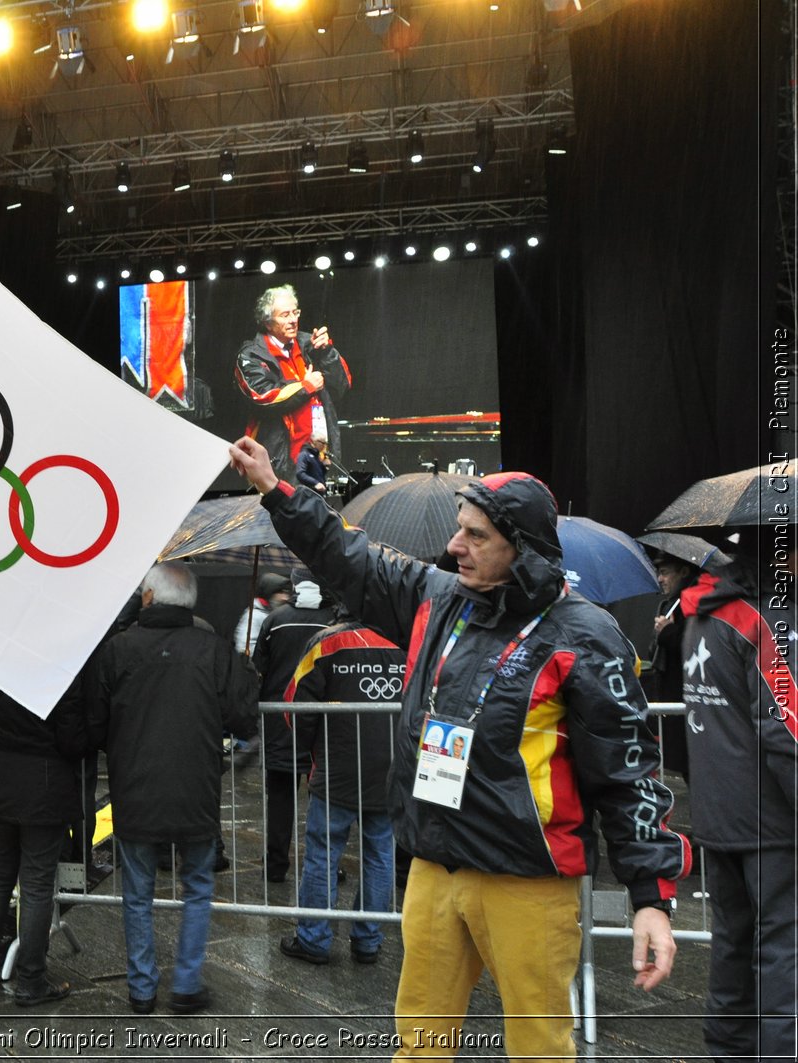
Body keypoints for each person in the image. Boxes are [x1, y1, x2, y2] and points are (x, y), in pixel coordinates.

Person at [228, 435, 689, 1059]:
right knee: (419, 1044)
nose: (454, 546)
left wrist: (651, 899)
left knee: (538, 1048)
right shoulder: (438, 599)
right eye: (458, 530)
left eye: (475, 536)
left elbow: (628, 772)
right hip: (435, 867)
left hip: (525, 881)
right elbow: (348, 555)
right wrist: (276, 490)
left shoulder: (586, 635)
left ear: (520, 548)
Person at [87, 562, 259, 1015]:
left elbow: (94, 723)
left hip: (135, 787)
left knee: (138, 891)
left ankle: (142, 989)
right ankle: (186, 985)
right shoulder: (216, 650)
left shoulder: (117, 650)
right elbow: (243, 718)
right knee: (198, 886)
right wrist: (245, 674)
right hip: (196, 788)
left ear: (148, 598)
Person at [679, 534, 796, 1061]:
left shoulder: (705, 609)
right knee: (783, 958)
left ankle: (725, 1052)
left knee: (732, 948)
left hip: (718, 813)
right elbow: (785, 733)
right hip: (771, 822)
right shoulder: (766, 618)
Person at [0, 667, 90, 1006]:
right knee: (35, 884)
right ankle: (31, 980)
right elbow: (72, 739)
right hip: (41, 784)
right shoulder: (60, 666)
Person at [278, 616, 403, 966]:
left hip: (337, 771)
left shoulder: (327, 643)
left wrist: (310, 748)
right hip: (391, 772)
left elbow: (295, 706)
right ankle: (368, 940)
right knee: (381, 856)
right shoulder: (411, 639)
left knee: (323, 853)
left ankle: (314, 939)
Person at [252, 574, 337, 882]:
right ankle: (326, 864)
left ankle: (275, 866)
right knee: (325, 799)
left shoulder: (275, 620)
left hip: (281, 719)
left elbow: (258, 669)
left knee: (280, 798)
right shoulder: (334, 621)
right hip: (325, 724)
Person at [233, 284, 351, 483]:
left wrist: (326, 352)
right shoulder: (251, 355)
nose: (293, 320)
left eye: (295, 312)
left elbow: (343, 385)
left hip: (320, 456)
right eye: (285, 315)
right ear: (268, 322)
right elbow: (263, 398)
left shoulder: (309, 343)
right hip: (280, 463)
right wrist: (306, 386)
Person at [645, 552, 701, 780]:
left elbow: (694, 647)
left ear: (684, 572)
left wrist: (668, 632)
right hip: (671, 695)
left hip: (689, 697)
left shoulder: (695, 603)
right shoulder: (669, 604)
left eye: (665, 572)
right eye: (659, 573)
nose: (660, 579)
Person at [232, 571, 292, 657]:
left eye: (286, 592)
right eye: (280, 592)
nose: (285, 597)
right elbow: (244, 647)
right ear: (269, 592)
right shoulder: (255, 616)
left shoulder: (276, 614)